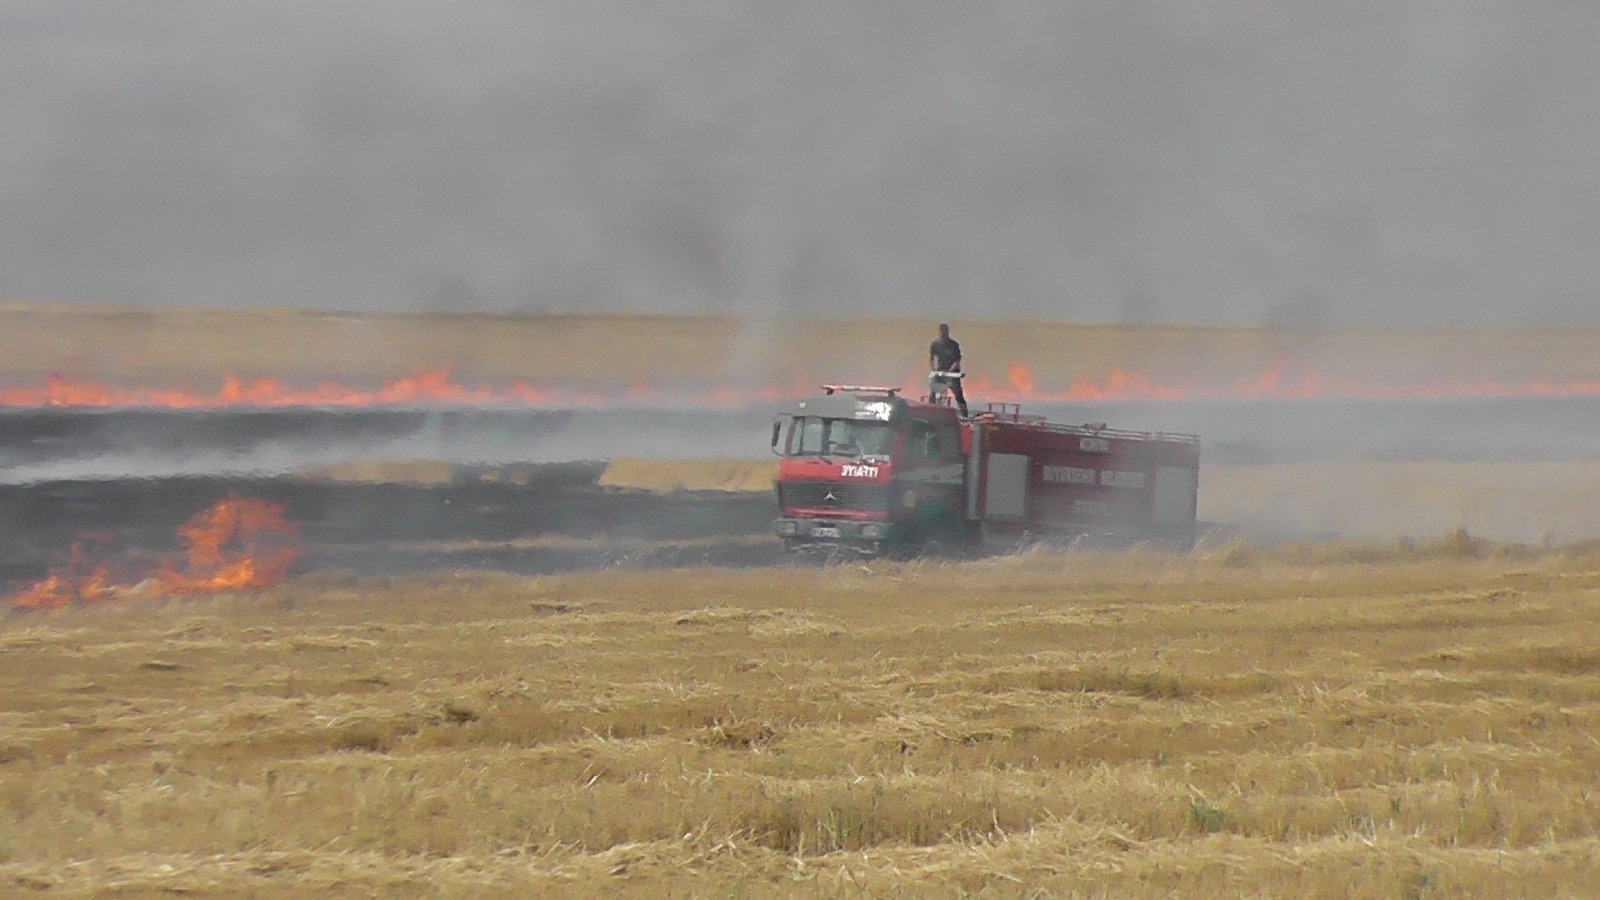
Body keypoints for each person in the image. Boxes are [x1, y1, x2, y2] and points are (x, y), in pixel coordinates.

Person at [928, 323, 969, 416]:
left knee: (958, 395)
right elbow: (931, 359)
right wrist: (933, 370)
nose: (943, 334)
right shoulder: (935, 344)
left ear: (948, 332)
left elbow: (957, 360)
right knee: (933, 393)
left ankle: (965, 414)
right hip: (940, 373)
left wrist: (949, 371)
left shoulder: (954, 345)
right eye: (941, 331)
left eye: (945, 331)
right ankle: (930, 412)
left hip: (952, 374)